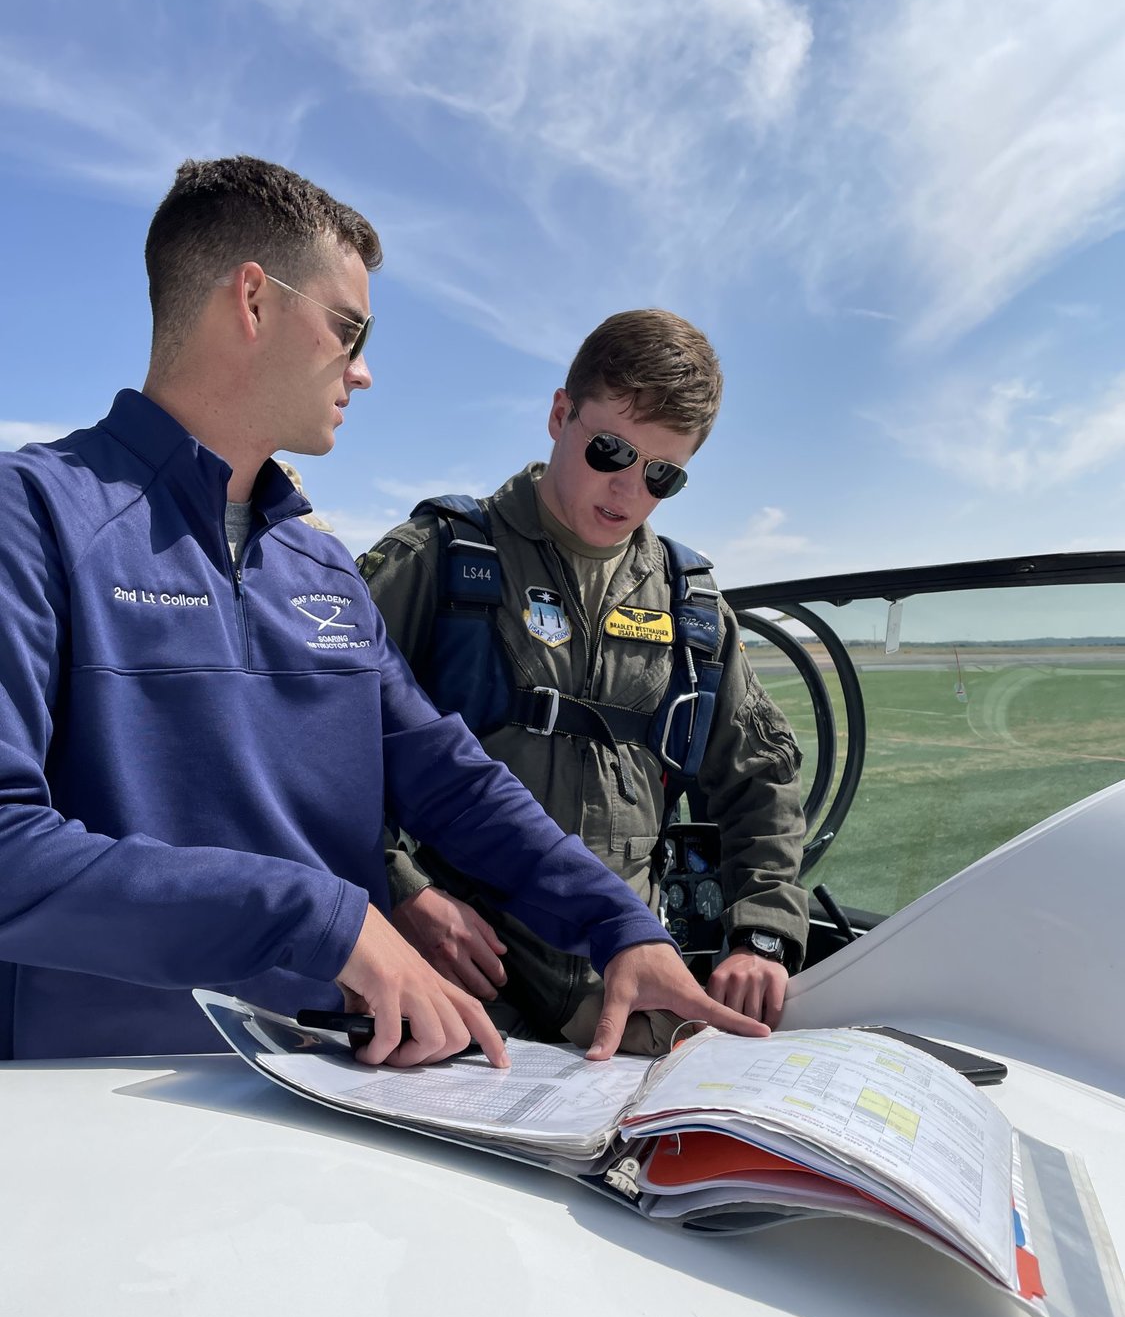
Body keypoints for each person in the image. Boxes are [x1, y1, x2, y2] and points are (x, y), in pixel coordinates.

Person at [0, 157, 772, 1067]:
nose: (363, 372)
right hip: (111, 1094)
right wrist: (328, 922)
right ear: (253, 301)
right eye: (348, 328)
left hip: (346, 1079)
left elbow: (447, 779)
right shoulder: (34, 516)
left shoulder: (317, 563)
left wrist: (618, 925)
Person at [360, 310, 808, 1054]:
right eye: (611, 451)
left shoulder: (688, 601)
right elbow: (313, 746)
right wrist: (402, 892)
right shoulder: (436, 560)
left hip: (625, 972)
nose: (628, 489)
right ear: (559, 414)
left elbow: (759, 773)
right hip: (457, 965)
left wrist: (760, 933)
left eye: (661, 475)